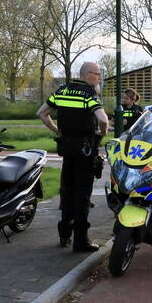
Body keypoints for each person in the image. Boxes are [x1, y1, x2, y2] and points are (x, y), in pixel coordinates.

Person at [37, 61, 109, 252]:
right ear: (87, 75)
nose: (99, 77)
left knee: (67, 190)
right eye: (97, 74)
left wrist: (57, 130)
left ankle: (64, 234)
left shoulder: (63, 91)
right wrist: (101, 134)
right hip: (85, 149)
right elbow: (103, 119)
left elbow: (42, 113)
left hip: (66, 147)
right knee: (83, 194)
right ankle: (80, 240)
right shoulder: (88, 94)